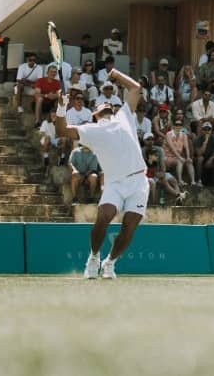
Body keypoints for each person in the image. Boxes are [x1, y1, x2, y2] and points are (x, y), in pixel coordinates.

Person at [72, 67, 148, 280]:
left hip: (139, 181)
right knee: (104, 217)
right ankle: (94, 257)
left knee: (130, 225)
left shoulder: (125, 115)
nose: (106, 107)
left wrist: (115, 74)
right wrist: (61, 109)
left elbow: (135, 87)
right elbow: (62, 130)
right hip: (114, 183)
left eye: (109, 106)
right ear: (95, 115)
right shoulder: (91, 131)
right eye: (101, 107)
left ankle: (110, 263)